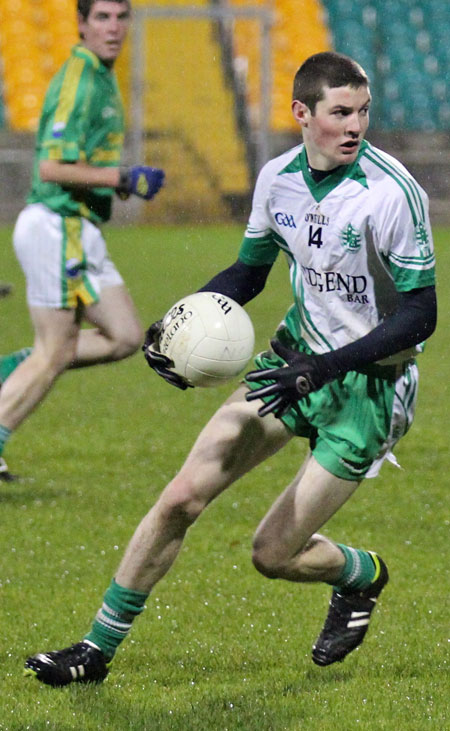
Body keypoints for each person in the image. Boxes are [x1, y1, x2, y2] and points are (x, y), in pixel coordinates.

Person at [25, 51, 437, 687]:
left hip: (369, 388)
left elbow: (421, 315)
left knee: (272, 555)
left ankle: (361, 576)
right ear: (302, 114)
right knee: (182, 497)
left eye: (362, 112)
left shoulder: (392, 194)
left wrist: (328, 367)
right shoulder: (278, 179)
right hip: (294, 360)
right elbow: (248, 274)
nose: (355, 126)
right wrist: (176, 323)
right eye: (340, 112)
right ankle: (94, 650)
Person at [0, 0, 164, 481]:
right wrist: (122, 176)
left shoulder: (102, 76)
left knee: (125, 336)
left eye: (120, 17)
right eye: (101, 18)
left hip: (79, 230)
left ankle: (13, 369)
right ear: (80, 24)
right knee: (55, 349)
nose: (113, 28)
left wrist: (114, 181)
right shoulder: (78, 80)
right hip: (55, 224)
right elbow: (49, 168)